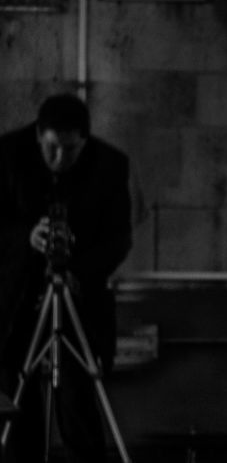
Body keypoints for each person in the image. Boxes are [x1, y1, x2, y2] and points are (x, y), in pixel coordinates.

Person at [0, 94, 132, 463]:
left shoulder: (109, 165)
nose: (60, 159)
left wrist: (80, 269)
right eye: (52, 148)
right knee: (18, 401)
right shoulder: (8, 156)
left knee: (78, 402)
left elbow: (119, 238)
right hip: (16, 302)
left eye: (71, 149)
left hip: (80, 298)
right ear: (38, 136)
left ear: (84, 141)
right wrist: (27, 236)